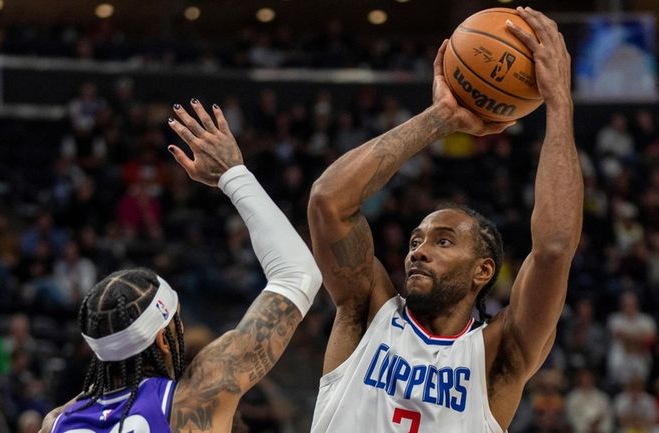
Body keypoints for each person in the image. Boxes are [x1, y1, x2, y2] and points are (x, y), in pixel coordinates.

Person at [307, 7, 581, 433]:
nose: (419, 251)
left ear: (483, 270)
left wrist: (560, 102)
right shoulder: (366, 312)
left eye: (444, 241)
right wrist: (442, 118)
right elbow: (328, 201)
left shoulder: (498, 355)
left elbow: (554, 250)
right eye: (417, 240)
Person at [39, 100, 322, 433]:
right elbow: (297, 274)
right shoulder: (194, 399)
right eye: (177, 323)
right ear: (163, 340)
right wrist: (233, 174)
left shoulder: (57, 422)